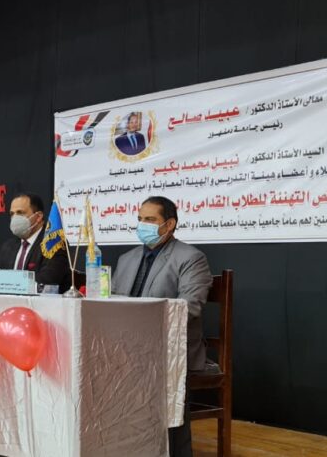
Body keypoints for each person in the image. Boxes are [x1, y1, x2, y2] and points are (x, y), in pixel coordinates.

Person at [112, 195, 213, 457]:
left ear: (169, 224)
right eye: (139, 219)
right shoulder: (126, 259)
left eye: (149, 219)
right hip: (125, 346)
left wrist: (143, 327)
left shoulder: (191, 258)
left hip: (169, 349)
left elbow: (190, 307)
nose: (141, 225)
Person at [0, 193, 71, 292]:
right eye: (12, 214)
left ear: (38, 216)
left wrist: (7, 283)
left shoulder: (53, 244)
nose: (15, 218)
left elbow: (47, 281)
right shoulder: (8, 246)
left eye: (20, 213)